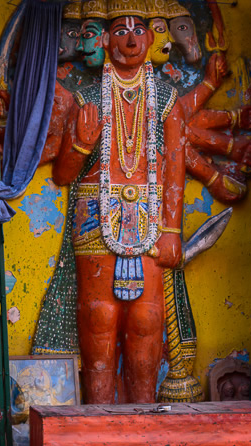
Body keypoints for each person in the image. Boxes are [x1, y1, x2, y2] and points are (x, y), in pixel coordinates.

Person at [51, 11, 186, 403]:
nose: (130, 39)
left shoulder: (166, 99)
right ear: (106, 41)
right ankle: (97, 415)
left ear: (150, 40)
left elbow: (175, 167)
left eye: (139, 30)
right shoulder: (87, 99)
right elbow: (63, 174)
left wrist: (172, 231)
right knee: (99, 316)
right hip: (95, 216)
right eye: (120, 31)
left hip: (151, 219)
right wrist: (81, 144)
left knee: (145, 319)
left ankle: (141, 415)